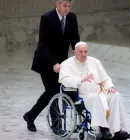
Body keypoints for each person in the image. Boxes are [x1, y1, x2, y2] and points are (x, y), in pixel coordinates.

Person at [23, 0, 80, 132]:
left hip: (62, 62)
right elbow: (44, 44)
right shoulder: (47, 18)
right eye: (65, 6)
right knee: (53, 91)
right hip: (45, 60)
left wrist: (79, 53)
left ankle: (30, 116)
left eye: (69, 6)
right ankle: (57, 126)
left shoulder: (72, 18)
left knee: (51, 92)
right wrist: (54, 63)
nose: (67, 9)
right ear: (57, 4)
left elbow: (75, 39)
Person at [58, 41, 130, 140]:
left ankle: (116, 130)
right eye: (81, 52)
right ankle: (102, 129)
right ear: (75, 52)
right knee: (96, 99)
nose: (84, 54)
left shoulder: (94, 61)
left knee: (116, 95)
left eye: (85, 51)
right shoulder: (67, 64)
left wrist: (110, 87)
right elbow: (64, 80)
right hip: (84, 95)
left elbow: (105, 79)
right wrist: (81, 80)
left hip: (100, 91)